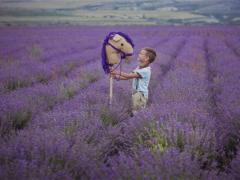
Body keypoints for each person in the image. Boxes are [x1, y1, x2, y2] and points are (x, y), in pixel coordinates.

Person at [110, 47, 157, 116]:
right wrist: (116, 77)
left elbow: (128, 76)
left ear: (147, 58)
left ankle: (139, 123)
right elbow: (127, 78)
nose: (139, 55)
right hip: (136, 93)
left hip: (140, 94)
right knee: (135, 110)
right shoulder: (139, 68)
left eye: (141, 54)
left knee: (138, 112)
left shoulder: (145, 71)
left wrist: (116, 72)